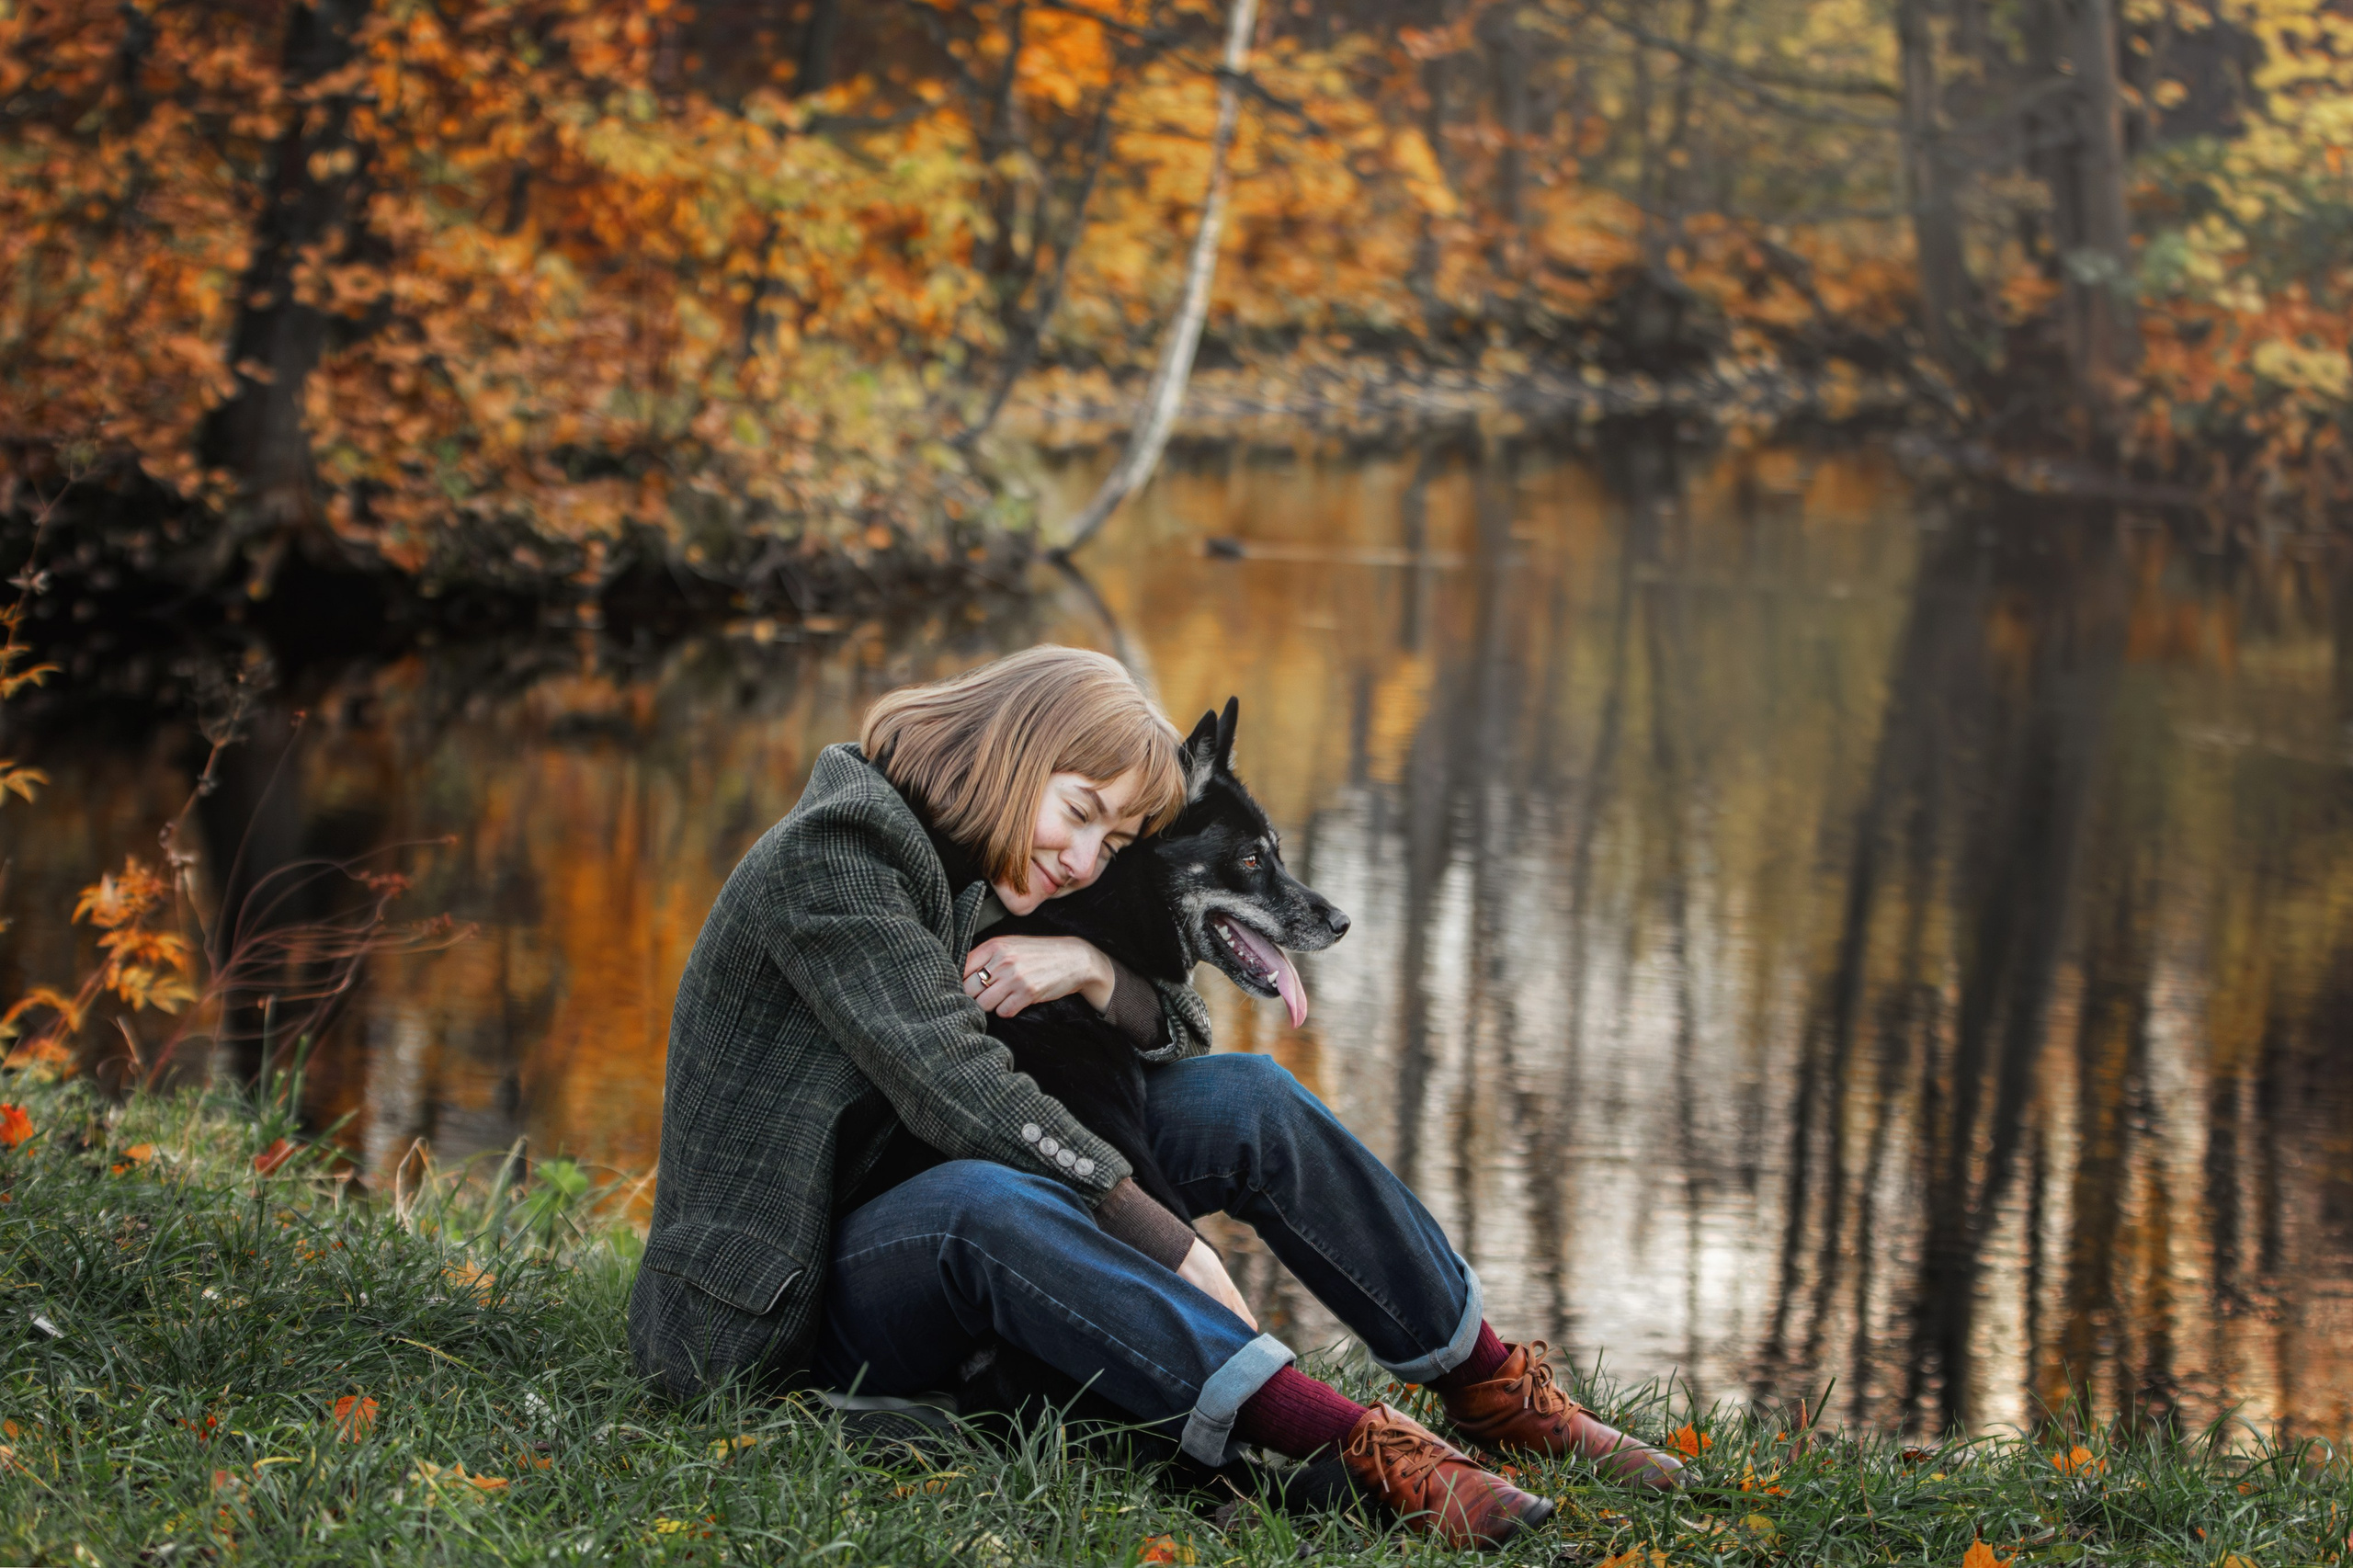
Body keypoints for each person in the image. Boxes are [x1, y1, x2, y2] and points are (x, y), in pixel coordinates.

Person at [628, 646, 1681, 1550]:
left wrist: (1089, 965)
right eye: (1079, 814)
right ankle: (1351, 1442)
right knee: (989, 1198)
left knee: (1246, 1096)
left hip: (896, 1202)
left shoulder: (984, 849)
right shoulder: (840, 854)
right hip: (778, 1304)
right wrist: (1165, 1237)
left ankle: (1486, 1383)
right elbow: (955, 1084)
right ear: (1010, 750)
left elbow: (1180, 1031)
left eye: (1114, 843)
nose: (1083, 858)